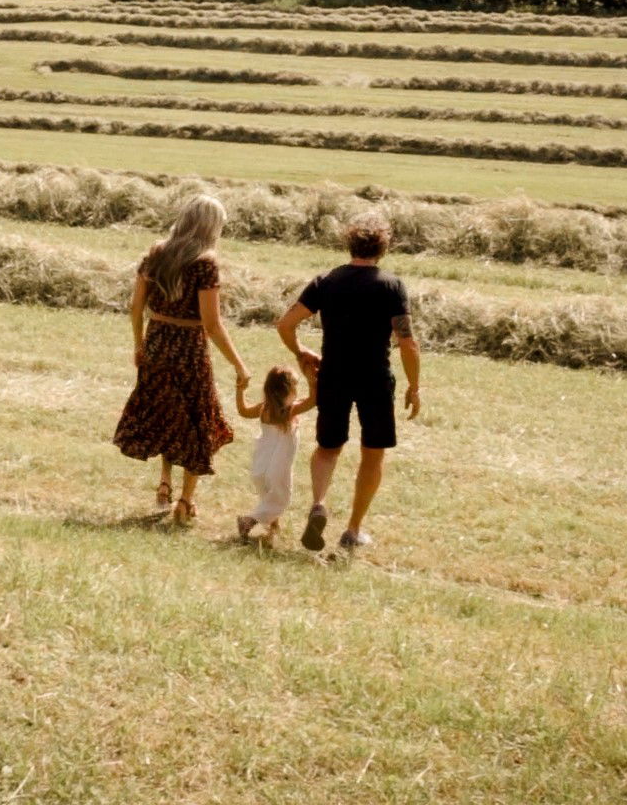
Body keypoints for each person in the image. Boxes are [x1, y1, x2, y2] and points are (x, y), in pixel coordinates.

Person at [276, 212, 421, 551]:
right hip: (374, 378)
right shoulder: (391, 285)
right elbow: (407, 343)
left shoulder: (325, 281)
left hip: (334, 375)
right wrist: (415, 387)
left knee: (328, 448)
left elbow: (285, 324)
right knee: (373, 455)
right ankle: (353, 530)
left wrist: (300, 352)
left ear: (349, 244)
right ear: (383, 248)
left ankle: (319, 503)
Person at [113, 194, 249, 525]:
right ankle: (186, 502)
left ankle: (164, 485)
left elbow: (136, 307)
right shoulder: (205, 262)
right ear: (211, 226)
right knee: (195, 420)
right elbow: (213, 325)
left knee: (164, 411)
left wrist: (139, 344)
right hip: (189, 347)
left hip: (157, 341)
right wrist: (239, 364)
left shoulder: (157, 252)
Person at [235, 363, 318, 545]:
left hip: (262, 459)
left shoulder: (264, 408)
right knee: (282, 496)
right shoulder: (290, 410)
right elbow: (313, 400)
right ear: (287, 390)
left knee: (269, 493)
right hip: (279, 460)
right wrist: (312, 382)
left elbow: (242, 410)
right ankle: (249, 520)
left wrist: (240, 389)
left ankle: (273, 526)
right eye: (295, 386)